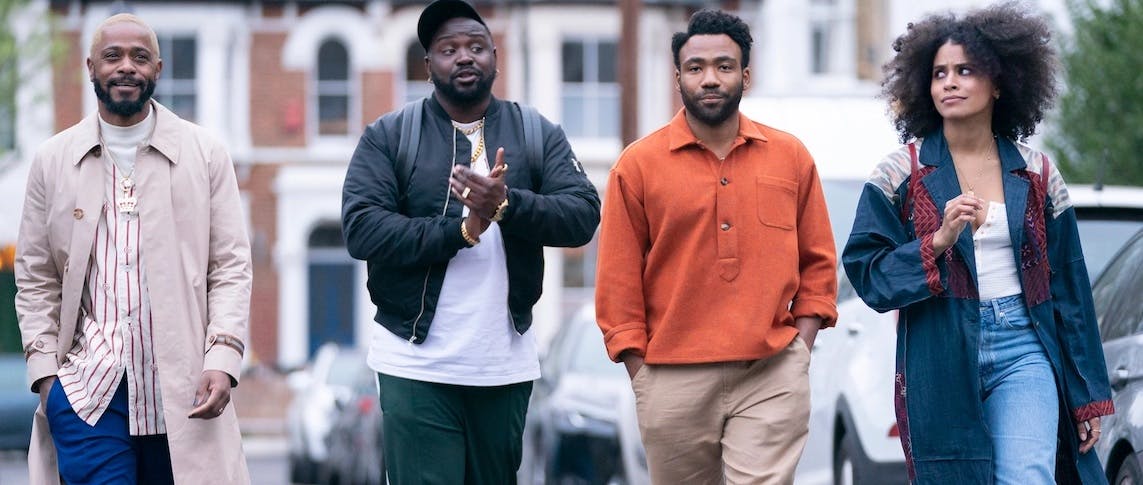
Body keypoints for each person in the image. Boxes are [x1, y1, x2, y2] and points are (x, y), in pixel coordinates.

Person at [842, 3, 1114, 484]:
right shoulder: (899, 173)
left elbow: (1070, 288)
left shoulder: (1038, 173)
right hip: (939, 348)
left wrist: (1086, 392)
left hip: (1024, 346)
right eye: (940, 72)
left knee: (1028, 477)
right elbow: (869, 274)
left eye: (966, 71)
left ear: (1000, 82)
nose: (950, 82)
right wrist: (938, 240)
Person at [340, 0, 600, 482]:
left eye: (476, 47)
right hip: (414, 360)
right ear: (428, 65)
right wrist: (460, 232)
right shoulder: (390, 136)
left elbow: (583, 214)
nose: (464, 57)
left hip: (503, 364)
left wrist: (507, 206)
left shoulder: (536, 133)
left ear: (495, 58)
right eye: (449, 49)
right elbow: (362, 229)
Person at [595, 9, 838, 484]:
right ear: (679, 76)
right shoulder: (638, 166)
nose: (710, 79)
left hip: (769, 372)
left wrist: (799, 351)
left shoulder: (790, 157)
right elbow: (617, 283)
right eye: (696, 67)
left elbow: (819, 264)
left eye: (724, 67)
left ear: (746, 75)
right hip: (670, 379)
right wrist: (640, 372)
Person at [15, 13, 251, 485]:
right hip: (87, 394)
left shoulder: (205, 154)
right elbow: (36, 276)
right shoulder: (52, 160)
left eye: (139, 57)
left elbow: (229, 267)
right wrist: (46, 378)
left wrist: (222, 359)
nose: (126, 66)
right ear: (90, 67)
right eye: (113, 56)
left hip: (186, 394)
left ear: (158, 69)